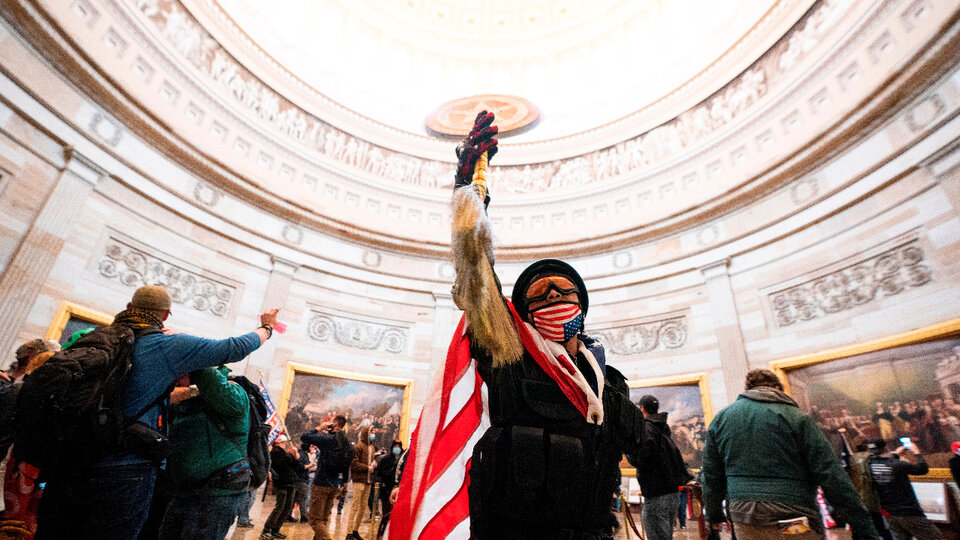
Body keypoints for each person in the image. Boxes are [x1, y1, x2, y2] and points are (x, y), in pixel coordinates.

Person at [34, 285, 279, 540]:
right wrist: (267, 328)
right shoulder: (165, 346)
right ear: (165, 315)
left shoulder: (93, 336)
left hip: (71, 462)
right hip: (125, 468)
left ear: (129, 307)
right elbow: (236, 347)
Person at [702, 369, 877, 540]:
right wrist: (862, 525)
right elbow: (830, 473)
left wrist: (714, 514)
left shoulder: (721, 418)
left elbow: (711, 475)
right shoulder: (796, 417)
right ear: (778, 389)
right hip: (792, 513)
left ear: (748, 390)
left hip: (743, 514)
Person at [627, 395, 693, 540]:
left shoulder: (646, 429)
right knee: (666, 535)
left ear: (642, 408)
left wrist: (627, 449)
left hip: (657, 493)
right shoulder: (662, 428)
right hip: (671, 493)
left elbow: (639, 458)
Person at [867, 439, 942, 540]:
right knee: (934, 537)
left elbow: (884, 462)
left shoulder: (870, 464)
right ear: (885, 448)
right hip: (909, 512)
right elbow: (922, 469)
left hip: (889, 514)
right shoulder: (898, 464)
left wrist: (896, 454)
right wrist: (916, 452)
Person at [301, 416, 352, 540]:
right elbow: (346, 465)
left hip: (320, 483)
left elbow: (304, 437)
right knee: (323, 519)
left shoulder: (328, 439)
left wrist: (320, 427)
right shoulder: (346, 442)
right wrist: (345, 484)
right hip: (334, 484)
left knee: (314, 519)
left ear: (334, 425)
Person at [261, 440, 300, 540]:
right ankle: (266, 529)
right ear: (277, 443)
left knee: (287, 508)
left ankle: (276, 529)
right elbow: (280, 465)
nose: (284, 443)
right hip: (282, 483)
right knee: (279, 507)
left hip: (291, 483)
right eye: (282, 442)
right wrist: (289, 455)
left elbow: (296, 466)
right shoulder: (275, 452)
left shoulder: (286, 453)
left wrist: (294, 456)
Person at [346, 425, 376, 540]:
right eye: (371, 432)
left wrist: (373, 464)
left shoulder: (372, 448)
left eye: (374, 432)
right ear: (366, 433)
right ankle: (349, 532)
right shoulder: (359, 446)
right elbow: (353, 463)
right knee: (355, 505)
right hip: (359, 479)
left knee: (363, 507)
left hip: (368, 480)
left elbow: (370, 462)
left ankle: (355, 530)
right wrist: (367, 467)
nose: (373, 434)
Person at [375, 441, 403, 518]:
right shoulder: (386, 459)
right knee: (386, 508)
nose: (397, 448)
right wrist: (391, 471)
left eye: (398, 447)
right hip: (386, 487)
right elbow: (380, 472)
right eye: (395, 446)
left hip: (397, 487)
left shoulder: (402, 459)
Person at [291, 441, 316, 522]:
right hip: (301, 480)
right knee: (303, 498)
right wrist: (310, 465)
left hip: (299, 479)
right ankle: (304, 517)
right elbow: (300, 466)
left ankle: (287, 515)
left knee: (294, 498)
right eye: (311, 446)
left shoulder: (303, 454)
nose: (312, 448)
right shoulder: (302, 455)